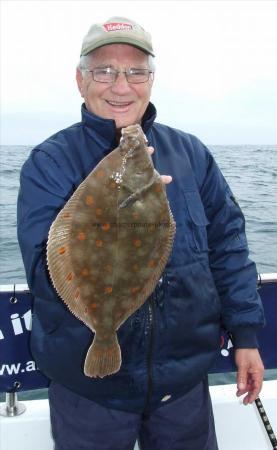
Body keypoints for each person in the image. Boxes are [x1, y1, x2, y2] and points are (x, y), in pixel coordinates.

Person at [17, 16, 265, 450]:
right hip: (88, 393)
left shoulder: (191, 154)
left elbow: (228, 247)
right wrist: (114, 209)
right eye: (104, 71)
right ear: (80, 81)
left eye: (135, 72)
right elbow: (44, 270)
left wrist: (245, 337)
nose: (120, 85)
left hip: (183, 386)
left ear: (151, 80)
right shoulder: (49, 161)